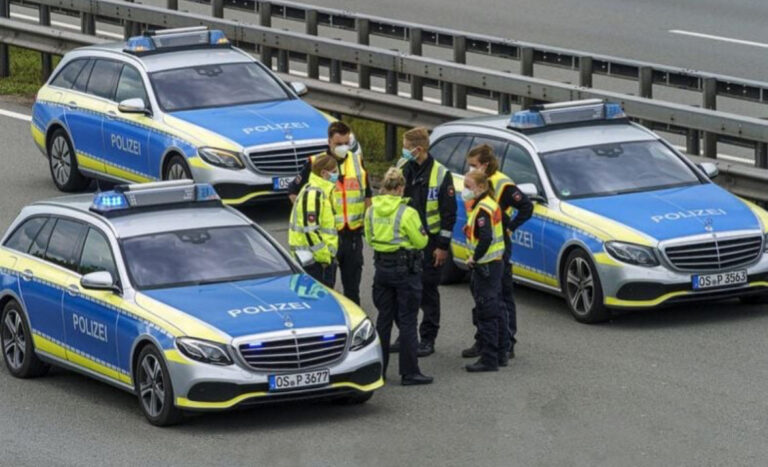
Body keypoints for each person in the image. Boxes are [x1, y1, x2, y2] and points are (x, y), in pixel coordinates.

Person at [461, 144, 533, 360]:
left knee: (500, 296)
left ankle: (506, 342)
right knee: (482, 296)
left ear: (485, 165)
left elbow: (526, 207)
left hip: (497, 248)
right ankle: (484, 339)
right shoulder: (476, 182)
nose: (470, 169)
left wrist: (510, 228)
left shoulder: (502, 183)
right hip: (481, 248)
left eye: (473, 165)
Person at [288, 121, 372, 305]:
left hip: (352, 235)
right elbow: (293, 191)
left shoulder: (357, 161)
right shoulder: (315, 163)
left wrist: (367, 224)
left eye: (346, 143)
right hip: (328, 237)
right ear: (329, 142)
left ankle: (352, 315)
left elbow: (367, 194)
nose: (343, 147)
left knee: (352, 289)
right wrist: (309, 215)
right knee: (326, 288)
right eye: (338, 143)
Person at [364, 167, 432, 386]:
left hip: (382, 269)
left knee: (383, 320)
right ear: (401, 188)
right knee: (408, 321)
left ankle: (379, 371)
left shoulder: (371, 210)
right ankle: (409, 372)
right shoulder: (407, 213)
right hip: (405, 271)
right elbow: (422, 241)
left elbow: (369, 238)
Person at [398, 127, 457, 357]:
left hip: (430, 243)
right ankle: (406, 334)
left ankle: (428, 338)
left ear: (419, 149)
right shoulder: (403, 167)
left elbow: (448, 214)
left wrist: (442, 247)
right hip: (405, 240)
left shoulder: (441, 174)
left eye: (406, 147)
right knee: (404, 291)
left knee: (428, 292)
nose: (403, 151)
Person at [462, 170, 508, 372]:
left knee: (487, 312)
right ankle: (501, 353)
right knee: (496, 309)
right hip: (494, 264)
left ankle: (489, 359)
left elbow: (486, 237)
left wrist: (474, 257)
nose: (465, 190)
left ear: (481, 187)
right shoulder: (489, 203)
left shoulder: (482, 209)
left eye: (468, 186)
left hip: (486, 265)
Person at [288, 154, 339, 287]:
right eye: (334, 171)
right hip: (314, 261)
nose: (337, 175)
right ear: (324, 173)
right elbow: (311, 230)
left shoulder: (322, 191)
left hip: (317, 259)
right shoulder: (314, 194)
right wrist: (324, 257)